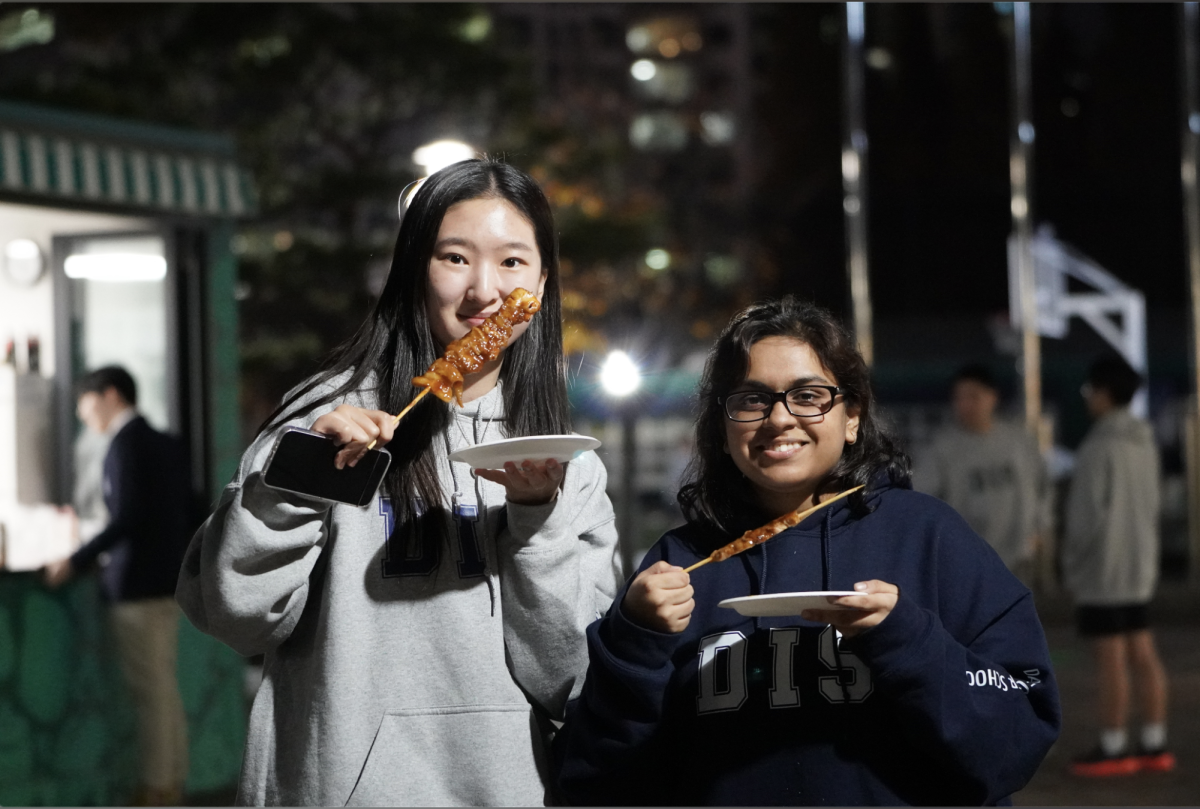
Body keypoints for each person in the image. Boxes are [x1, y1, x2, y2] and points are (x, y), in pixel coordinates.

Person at [176, 158, 622, 806]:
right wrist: (298, 480)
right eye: (454, 258)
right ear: (414, 266)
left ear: (543, 281)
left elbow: (570, 678)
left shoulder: (564, 459)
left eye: (512, 263)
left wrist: (537, 518)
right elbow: (234, 616)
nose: (483, 291)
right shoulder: (323, 420)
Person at [553, 297, 1060, 806]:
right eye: (752, 399)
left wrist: (907, 640)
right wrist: (635, 643)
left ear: (853, 415)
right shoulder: (681, 565)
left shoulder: (930, 539)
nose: (779, 418)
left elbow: (1015, 744)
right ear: (722, 426)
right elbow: (594, 781)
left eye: (809, 395)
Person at [44, 365, 192, 806]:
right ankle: (172, 781)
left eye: (85, 404)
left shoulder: (126, 445)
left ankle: (156, 789)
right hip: (167, 583)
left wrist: (75, 559)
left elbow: (126, 517)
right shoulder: (164, 442)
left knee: (151, 693)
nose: (82, 414)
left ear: (109, 395)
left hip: (137, 587)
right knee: (164, 689)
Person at [1062, 355, 1174, 777]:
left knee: (1110, 660)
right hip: (1139, 566)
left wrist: (1072, 564)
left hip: (1103, 572)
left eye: (1091, 391)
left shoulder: (1098, 446)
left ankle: (1112, 745)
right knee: (1143, 653)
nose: (1089, 399)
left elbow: (1087, 518)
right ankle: (1154, 741)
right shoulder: (1144, 440)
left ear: (1104, 393)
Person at [914, 364, 1049, 585]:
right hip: (966, 564)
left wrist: (1039, 529)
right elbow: (921, 497)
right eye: (959, 398)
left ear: (992, 397)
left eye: (973, 396)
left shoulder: (1018, 443)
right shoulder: (942, 450)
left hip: (1017, 560)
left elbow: (1042, 490)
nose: (965, 405)